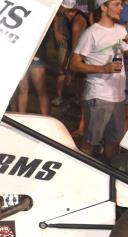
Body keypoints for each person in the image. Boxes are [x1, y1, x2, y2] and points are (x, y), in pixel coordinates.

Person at [70, 0, 128, 161]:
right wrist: (103, 68)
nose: (121, 8)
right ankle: (78, 178)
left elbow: (124, 52)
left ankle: (110, 180)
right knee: (90, 144)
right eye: (116, 4)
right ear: (103, 7)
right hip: (98, 96)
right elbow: (74, 63)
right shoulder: (92, 33)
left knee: (113, 143)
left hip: (118, 97)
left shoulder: (120, 30)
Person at [58, 0, 90, 136]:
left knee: (83, 94)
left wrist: (70, 69)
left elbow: (75, 50)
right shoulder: (69, 16)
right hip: (83, 57)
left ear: (65, 8)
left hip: (83, 60)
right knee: (80, 93)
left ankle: (83, 127)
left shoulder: (77, 23)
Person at [10, 35, 50, 115]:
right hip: (21, 55)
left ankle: (45, 117)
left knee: (41, 90)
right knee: (23, 89)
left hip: (36, 54)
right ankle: (21, 118)